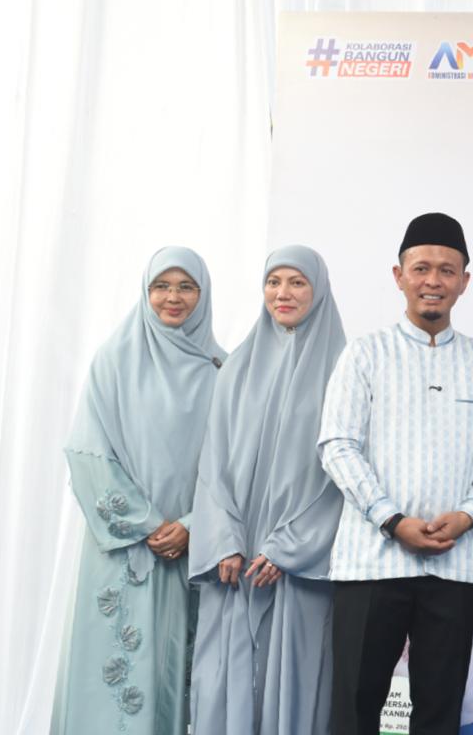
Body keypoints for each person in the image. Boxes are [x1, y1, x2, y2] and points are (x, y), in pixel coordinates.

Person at [319, 212, 473, 735]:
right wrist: (392, 520)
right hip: (370, 563)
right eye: (422, 268)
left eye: (447, 270)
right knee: (354, 710)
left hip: (454, 565)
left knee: (439, 713)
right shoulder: (365, 354)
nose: (434, 280)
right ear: (399, 276)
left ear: (464, 282)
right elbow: (337, 445)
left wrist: (468, 515)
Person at [53, 247, 225, 735]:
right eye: (161, 286)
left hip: (192, 551)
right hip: (124, 549)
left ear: (203, 294)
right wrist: (148, 525)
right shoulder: (114, 361)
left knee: (179, 675)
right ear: (145, 292)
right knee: (114, 675)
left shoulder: (223, 370)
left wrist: (191, 526)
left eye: (186, 287)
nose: (173, 297)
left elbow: (235, 468)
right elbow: (89, 453)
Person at [188, 246, 347, 734]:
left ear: (318, 290)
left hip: (300, 565)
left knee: (295, 676)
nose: (283, 293)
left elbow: (341, 475)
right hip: (237, 560)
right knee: (224, 676)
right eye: (273, 281)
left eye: (297, 282)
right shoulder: (237, 367)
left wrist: (289, 548)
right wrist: (225, 540)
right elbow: (213, 463)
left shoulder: (344, 369)